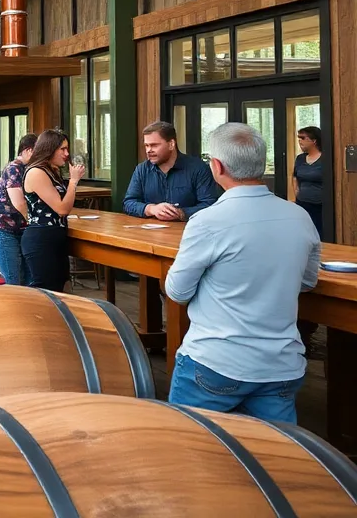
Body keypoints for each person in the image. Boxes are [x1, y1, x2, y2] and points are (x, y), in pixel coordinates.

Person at [166, 123, 321, 424]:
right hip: (282, 366)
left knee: (192, 457)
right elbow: (307, 281)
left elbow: (178, 292)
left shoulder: (207, 221)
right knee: (274, 461)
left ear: (217, 166)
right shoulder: (299, 217)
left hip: (215, 363)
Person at [21, 129, 85, 290]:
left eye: (67, 149)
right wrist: (73, 181)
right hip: (41, 238)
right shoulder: (36, 172)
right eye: (62, 149)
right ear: (49, 149)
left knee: (60, 287)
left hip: (56, 236)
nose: (66, 154)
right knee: (47, 291)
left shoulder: (52, 171)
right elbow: (62, 208)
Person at [123, 121, 217, 221]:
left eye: (154, 145)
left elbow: (209, 205)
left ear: (171, 144)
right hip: (149, 233)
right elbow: (128, 203)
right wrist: (151, 209)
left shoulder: (198, 168)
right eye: (146, 145)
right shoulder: (141, 170)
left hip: (188, 231)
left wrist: (181, 213)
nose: (148, 150)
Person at [0, 132, 38, 285]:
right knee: (11, 280)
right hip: (2, 231)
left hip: (20, 231)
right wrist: (34, 222)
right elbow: (19, 202)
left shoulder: (29, 169)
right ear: (28, 150)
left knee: (29, 279)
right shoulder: (14, 168)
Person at [291, 125, 325, 236]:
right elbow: (295, 177)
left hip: (320, 206)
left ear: (314, 141)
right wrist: (296, 193)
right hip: (302, 203)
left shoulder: (325, 158)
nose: (300, 141)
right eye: (298, 138)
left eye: (303, 138)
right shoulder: (300, 158)